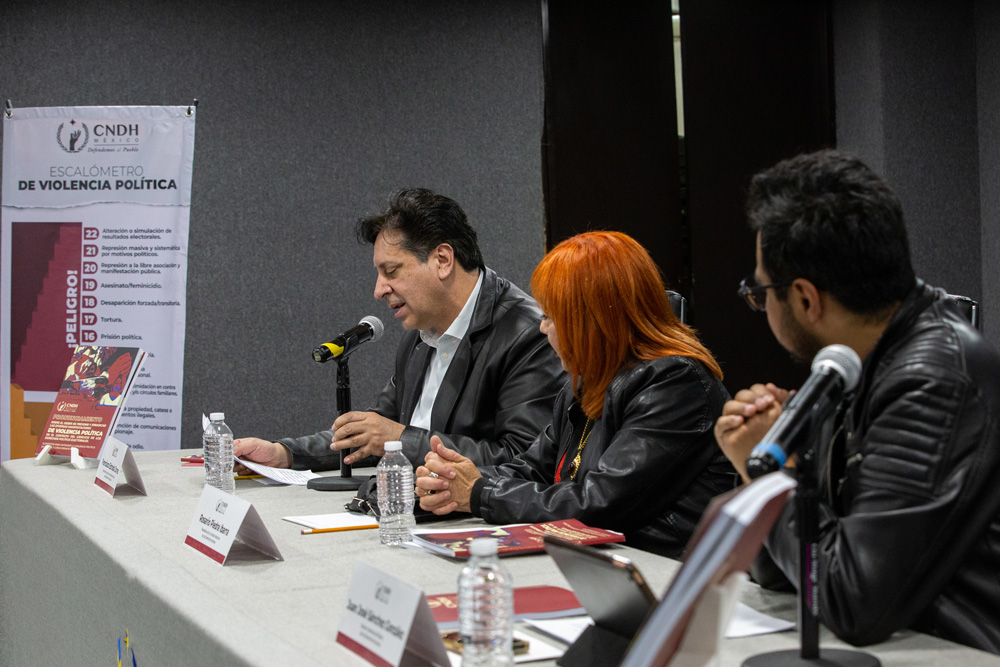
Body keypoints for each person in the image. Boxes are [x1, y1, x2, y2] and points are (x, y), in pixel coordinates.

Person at [713, 149, 1000, 654]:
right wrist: (764, 462)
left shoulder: (930, 378)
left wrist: (769, 474)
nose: (761, 305)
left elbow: (852, 602)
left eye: (761, 293)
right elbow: (785, 576)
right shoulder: (848, 365)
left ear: (805, 298)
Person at [415, 231, 737, 558]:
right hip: (605, 564)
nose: (543, 328)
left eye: (551, 317)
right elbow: (530, 468)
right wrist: (453, 481)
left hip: (666, 576)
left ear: (592, 321)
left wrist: (480, 492)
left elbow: (597, 506)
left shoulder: (675, 384)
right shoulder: (586, 385)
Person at [234, 188, 565, 470]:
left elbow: (523, 459)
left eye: (391, 271)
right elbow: (375, 429)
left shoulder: (527, 333)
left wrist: (399, 440)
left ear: (443, 260)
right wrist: (285, 453)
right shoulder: (419, 336)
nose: (379, 290)